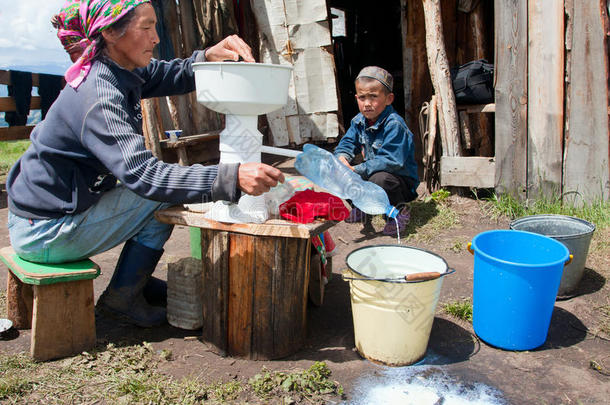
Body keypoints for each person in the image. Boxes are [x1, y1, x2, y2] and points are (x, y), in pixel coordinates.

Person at [5, 0, 284, 328]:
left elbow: (165, 73)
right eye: (146, 27)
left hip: (47, 213)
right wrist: (231, 177)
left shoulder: (117, 69)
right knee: (161, 193)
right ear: (110, 32)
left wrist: (206, 56)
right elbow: (143, 175)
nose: (155, 38)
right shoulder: (99, 94)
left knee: (162, 191)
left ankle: (133, 279)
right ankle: (123, 296)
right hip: (46, 231)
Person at [333, 66, 419, 236]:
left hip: (399, 182)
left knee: (379, 178)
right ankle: (363, 206)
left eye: (373, 97)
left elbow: (391, 161)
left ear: (389, 99)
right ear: (357, 98)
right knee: (340, 172)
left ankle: (398, 212)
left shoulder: (394, 124)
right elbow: (346, 144)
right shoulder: (358, 121)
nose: (367, 104)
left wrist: (356, 169)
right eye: (362, 97)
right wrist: (342, 159)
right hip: (373, 175)